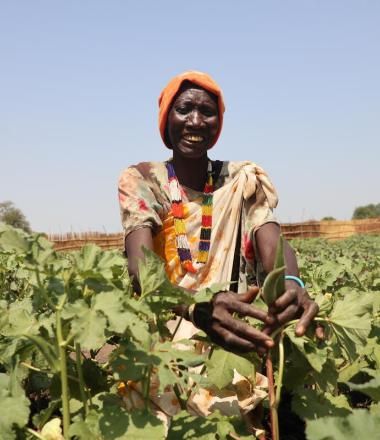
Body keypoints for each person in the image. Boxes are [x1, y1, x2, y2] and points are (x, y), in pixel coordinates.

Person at [118, 71, 318, 424]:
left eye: (207, 112)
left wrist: (292, 285)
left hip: (232, 330)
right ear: (167, 118)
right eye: (184, 109)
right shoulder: (143, 180)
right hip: (166, 335)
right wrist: (197, 309)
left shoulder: (241, 178)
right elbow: (141, 270)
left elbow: (269, 235)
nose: (195, 121)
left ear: (218, 123)